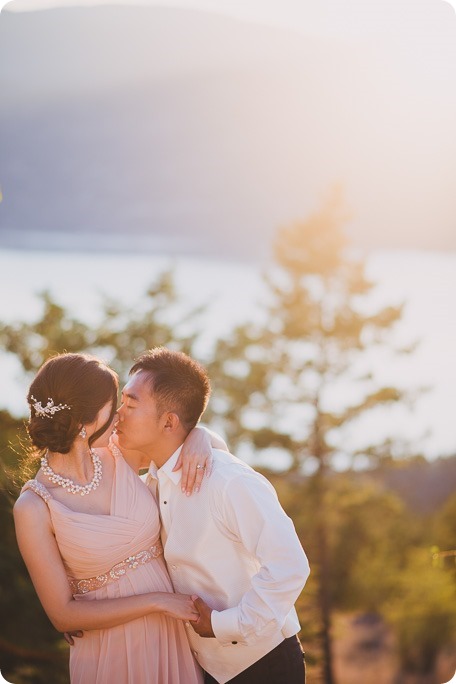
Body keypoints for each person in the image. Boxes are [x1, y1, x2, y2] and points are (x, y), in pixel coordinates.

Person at [13, 352, 226, 684]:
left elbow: (176, 431)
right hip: (109, 649)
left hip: (172, 635)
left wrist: (199, 437)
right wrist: (158, 602)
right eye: (113, 404)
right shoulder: (34, 506)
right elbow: (63, 615)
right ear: (87, 420)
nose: (119, 413)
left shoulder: (120, 455)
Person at [114, 347, 310, 684]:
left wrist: (224, 625)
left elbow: (289, 566)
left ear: (169, 421)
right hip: (198, 668)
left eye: (130, 404)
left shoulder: (228, 481)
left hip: (263, 666)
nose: (119, 414)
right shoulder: (150, 485)